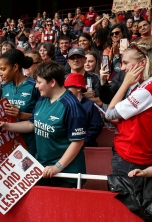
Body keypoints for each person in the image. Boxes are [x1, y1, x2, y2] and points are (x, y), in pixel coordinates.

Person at [0, 61, 87, 188]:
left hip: (66, 174)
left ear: (52, 82)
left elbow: (77, 142)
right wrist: (7, 126)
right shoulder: (42, 99)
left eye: (39, 82)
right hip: (41, 168)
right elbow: (31, 125)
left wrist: (57, 167)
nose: (36, 86)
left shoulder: (72, 106)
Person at [105, 41, 152, 176]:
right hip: (134, 153)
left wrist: (124, 84)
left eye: (126, 63)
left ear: (142, 63)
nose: (122, 68)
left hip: (131, 156)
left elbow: (109, 114)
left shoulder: (146, 89)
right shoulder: (142, 85)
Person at [0, 49, 39, 155]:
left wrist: (21, 115)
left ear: (15, 67)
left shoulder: (34, 86)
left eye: (3, 69)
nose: (0, 74)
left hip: (31, 144)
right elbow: (4, 117)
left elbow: (43, 118)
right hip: (10, 143)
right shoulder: (5, 88)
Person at [64, 73, 102, 146]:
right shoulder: (64, 104)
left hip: (86, 147)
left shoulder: (90, 105)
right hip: (66, 146)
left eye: (68, 88)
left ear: (78, 88)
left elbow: (95, 128)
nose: (65, 91)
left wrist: (82, 143)